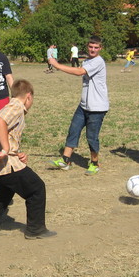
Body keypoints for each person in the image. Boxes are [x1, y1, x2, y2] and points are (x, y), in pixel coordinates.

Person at [0, 79, 56, 240]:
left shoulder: (9, 106)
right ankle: (35, 230)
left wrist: (16, 152)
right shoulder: (16, 107)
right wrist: (6, 149)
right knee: (36, 188)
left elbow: (5, 131)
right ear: (28, 96)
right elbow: (1, 122)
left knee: (3, 193)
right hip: (1, 161)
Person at [49, 36, 109, 175]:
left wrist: (57, 65)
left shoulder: (98, 61)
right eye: (91, 47)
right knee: (73, 130)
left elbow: (79, 72)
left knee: (91, 137)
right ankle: (65, 160)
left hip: (97, 108)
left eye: (96, 47)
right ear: (87, 47)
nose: (93, 49)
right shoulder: (87, 61)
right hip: (84, 105)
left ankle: (94, 163)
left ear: (100, 48)